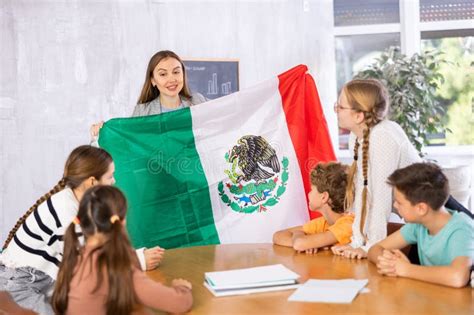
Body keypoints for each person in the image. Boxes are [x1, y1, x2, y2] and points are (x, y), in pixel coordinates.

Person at [0, 146, 162, 315]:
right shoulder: (65, 211)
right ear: (92, 182)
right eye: (110, 176)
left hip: (43, 281)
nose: (114, 181)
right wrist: (139, 260)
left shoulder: (79, 197)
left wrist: (97, 138)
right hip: (19, 285)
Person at [52, 185, 193, 315]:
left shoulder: (76, 257)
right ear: (122, 221)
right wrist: (182, 287)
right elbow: (180, 303)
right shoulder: (114, 267)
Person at [331, 79, 421, 260]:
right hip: (416, 222)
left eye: (340, 107)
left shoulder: (382, 136)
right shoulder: (356, 137)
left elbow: (380, 198)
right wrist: (357, 242)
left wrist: (370, 247)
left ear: (359, 116)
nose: (336, 111)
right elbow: (363, 194)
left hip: (435, 221)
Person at [367, 163, 473, 288]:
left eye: (399, 202)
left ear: (421, 208)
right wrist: (390, 263)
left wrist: (406, 269)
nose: (395, 205)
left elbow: (458, 277)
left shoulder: (461, 229)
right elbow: (375, 249)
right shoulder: (419, 225)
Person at [90, 50, 206, 141]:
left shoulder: (198, 101)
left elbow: (222, 114)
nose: (171, 79)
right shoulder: (143, 113)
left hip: (194, 169)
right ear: (153, 80)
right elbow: (128, 142)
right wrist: (101, 133)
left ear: (183, 74)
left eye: (176, 72)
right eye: (163, 74)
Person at [272, 162, 354, 254]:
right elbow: (278, 236)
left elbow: (299, 244)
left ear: (324, 197)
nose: (309, 194)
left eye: (312, 190)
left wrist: (299, 235)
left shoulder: (348, 224)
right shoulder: (324, 223)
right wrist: (309, 243)